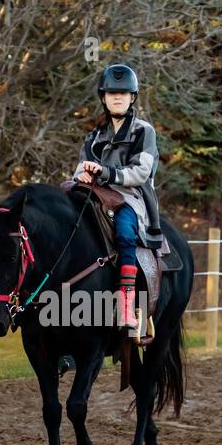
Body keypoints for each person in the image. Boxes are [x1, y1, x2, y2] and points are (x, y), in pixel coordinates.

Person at [73, 63, 163, 330]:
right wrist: (83, 174)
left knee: (124, 232)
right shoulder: (94, 136)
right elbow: (81, 164)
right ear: (103, 97)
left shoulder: (144, 131)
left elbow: (141, 172)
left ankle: (126, 303)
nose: (117, 97)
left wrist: (106, 172)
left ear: (132, 97)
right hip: (96, 194)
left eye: (123, 94)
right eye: (112, 93)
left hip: (130, 197)